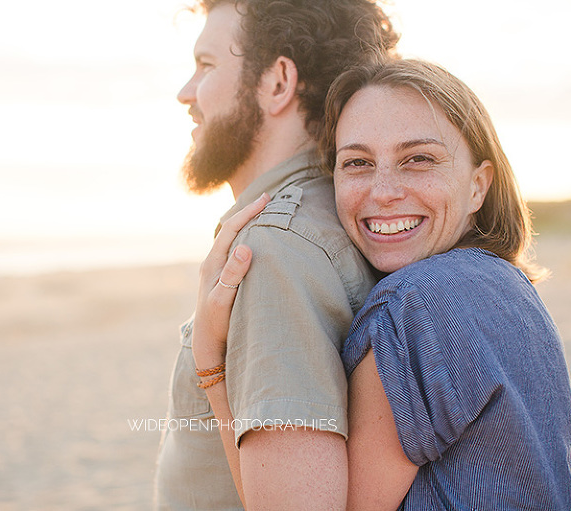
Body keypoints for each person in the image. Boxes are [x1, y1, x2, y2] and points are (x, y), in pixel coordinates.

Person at [192, 59, 571, 509]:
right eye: (357, 162)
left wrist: (211, 367)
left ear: (478, 185)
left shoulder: (418, 306)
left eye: (418, 159)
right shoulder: (511, 288)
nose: (383, 191)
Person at [154, 0, 398, 509]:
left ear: (278, 82)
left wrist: (211, 375)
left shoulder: (273, 250)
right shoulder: (335, 215)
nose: (185, 93)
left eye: (206, 66)